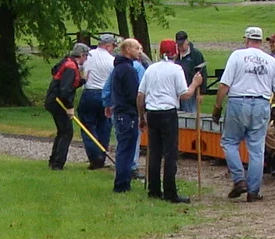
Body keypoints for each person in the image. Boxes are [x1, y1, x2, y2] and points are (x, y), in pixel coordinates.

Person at [212, 27, 275, 201]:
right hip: (261, 103)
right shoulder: (270, 61)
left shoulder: (237, 56)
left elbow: (224, 84)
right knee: (256, 148)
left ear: (246, 40)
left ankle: (239, 179)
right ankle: (254, 191)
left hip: (239, 102)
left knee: (229, 141)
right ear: (261, 42)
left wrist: (217, 106)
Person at [141, 39, 199, 202]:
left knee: (154, 152)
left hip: (152, 112)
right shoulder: (176, 69)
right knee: (170, 153)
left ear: (160, 53)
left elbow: (141, 95)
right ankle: (170, 193)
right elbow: (184, 94)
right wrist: (194, 84)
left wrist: (141, 115)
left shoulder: (151, 69)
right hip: (167, 112)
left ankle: (153, 190)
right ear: (175, 52)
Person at [108, 38, 145, 193]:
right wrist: (140, 109)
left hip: (121, 112)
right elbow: (133, 94)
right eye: (137, 48)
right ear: (128, 50)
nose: (140, 52)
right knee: (126, 149)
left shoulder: (119, 68)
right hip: (127, 114)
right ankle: (122, 183)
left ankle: (123, 181)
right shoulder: (127, 70)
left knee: (125, 147)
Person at [44, 41, 87, 169]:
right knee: (67, 132)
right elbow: (65, 90)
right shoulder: (71, 67)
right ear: (81, 55)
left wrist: (82, 81)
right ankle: (58, 164)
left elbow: (66, 83)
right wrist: (69, 107)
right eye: (86, 56)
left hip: (53, 100)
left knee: (62, 131)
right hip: (58, 102)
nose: (86, 59)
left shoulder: (66, 62)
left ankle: (54, 160)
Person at [78, 34, 117, 169]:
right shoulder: (112, 60)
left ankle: (95, 157)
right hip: (105, 94)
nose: (113, 49)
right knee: (104, 126)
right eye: (112, 46)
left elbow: (81, 70)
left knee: (88, 126)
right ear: (107, 46)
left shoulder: (89, 55)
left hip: (89, 92)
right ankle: (102, 154)